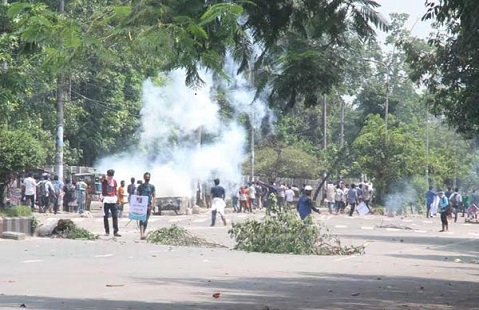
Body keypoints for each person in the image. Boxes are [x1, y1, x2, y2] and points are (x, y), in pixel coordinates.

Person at [136, 172, 156, 240]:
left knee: (146, 220)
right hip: (142, 205)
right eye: (146, 177)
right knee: (142, 219)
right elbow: (137, 196)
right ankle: (141, 234)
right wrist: (137, 205)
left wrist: (152, 205)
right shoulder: (140, 187)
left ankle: (143, 232)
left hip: (149, 205)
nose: (147, 178)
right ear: (144, 178)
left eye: (148, 177)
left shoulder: (152, 187)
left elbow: (154, 196)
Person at [101, 169, 121, 237]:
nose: (110, 177)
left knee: (115, 216)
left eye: (111, 175)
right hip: (106, 199)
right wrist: (105, 176)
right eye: (109, 175)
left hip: (113, 200)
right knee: (105, 216)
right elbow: (102, 178)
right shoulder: (104, 181)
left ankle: (115, 231)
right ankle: (107, 231)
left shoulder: (114, 182)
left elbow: (115, 191)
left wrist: (118, 199)